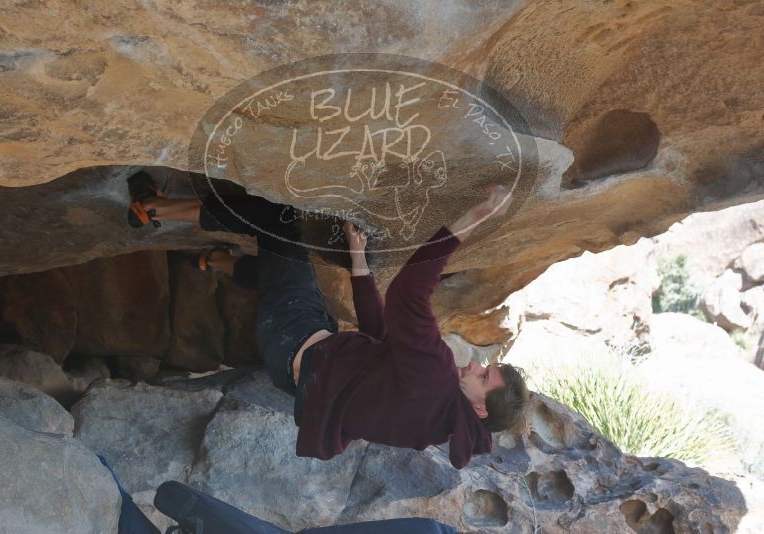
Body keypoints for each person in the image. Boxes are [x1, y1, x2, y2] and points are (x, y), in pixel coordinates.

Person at [127, 172, 528, 469]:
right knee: (286, 274)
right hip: (296, 368)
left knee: (277, 220)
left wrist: (473, 217)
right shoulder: (435, 428)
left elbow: (409, 292)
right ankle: (212, 261)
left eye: (482, 377)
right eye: (486, 366)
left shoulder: (437, 376)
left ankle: (152, 207)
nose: (475, 365)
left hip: (294, 333)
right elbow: (379, 337)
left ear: (479, 409)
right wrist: (357, 260)